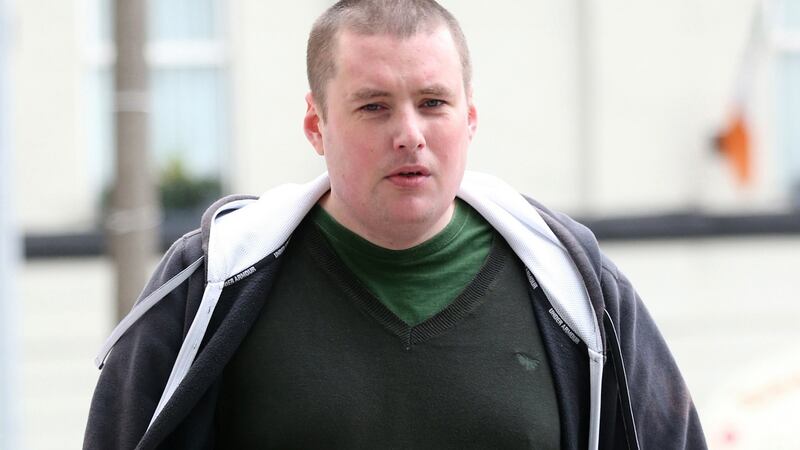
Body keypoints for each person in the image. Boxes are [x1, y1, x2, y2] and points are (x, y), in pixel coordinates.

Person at [84, 1, 707, 449]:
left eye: (433, 103)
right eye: (374, 106)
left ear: (470, 118)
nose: (409, 134)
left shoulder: (578, 287)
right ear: (316, 125)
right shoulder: (212, 284)